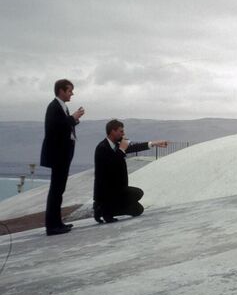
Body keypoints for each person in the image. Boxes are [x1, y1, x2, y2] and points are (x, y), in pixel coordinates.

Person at [93, 119, 167, 223]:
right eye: (121, 131)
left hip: (119, 189)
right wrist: (122, 149)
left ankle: (108, 209)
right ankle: (102, 210)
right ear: (113, 131)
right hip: (106, 193)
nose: (123, 134)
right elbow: (112, 165)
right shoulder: (102, 148)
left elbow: (134, 147)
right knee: (135, 197)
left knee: (138, 208)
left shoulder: (117, 145)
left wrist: (153, 143)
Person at [40, 79, 85, 236]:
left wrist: (74, 120)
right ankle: (52, 226)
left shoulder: (61, 107)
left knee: (59, 189)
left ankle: (57, 222)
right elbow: (55, 128)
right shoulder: (54, 107)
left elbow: (62, 126)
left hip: (63, 155)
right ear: (61, 91)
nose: (72, 93)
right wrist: (72, 118)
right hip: (58, 155)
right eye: (69, 90)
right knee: (56, 190)